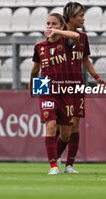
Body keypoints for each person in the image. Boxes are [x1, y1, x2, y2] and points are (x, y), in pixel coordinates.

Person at [55, 2, 106, 174]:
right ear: (70, 17)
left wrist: (96, 77)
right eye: (80, 15)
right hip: (61, 88)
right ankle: (54, 158)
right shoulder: (58, 37)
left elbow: (85, 59)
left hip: (77, 87)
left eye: (83, 15)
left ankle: (69, 164)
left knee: (75, 125)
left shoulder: (83, 37)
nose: (83, 19)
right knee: (64, 130)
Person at [30, 13, 79, 174]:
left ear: (62, 26)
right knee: (50, 126)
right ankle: (53, 166)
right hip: (46, 88)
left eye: (54, 24)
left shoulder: (66, 42)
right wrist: (32, 87)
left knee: (66, 134)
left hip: (65, 90)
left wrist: (59, 32)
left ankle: (56, 156)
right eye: (48, 24)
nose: (50, 27)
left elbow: (77, 36)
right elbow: (35, 70)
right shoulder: (39, 46)